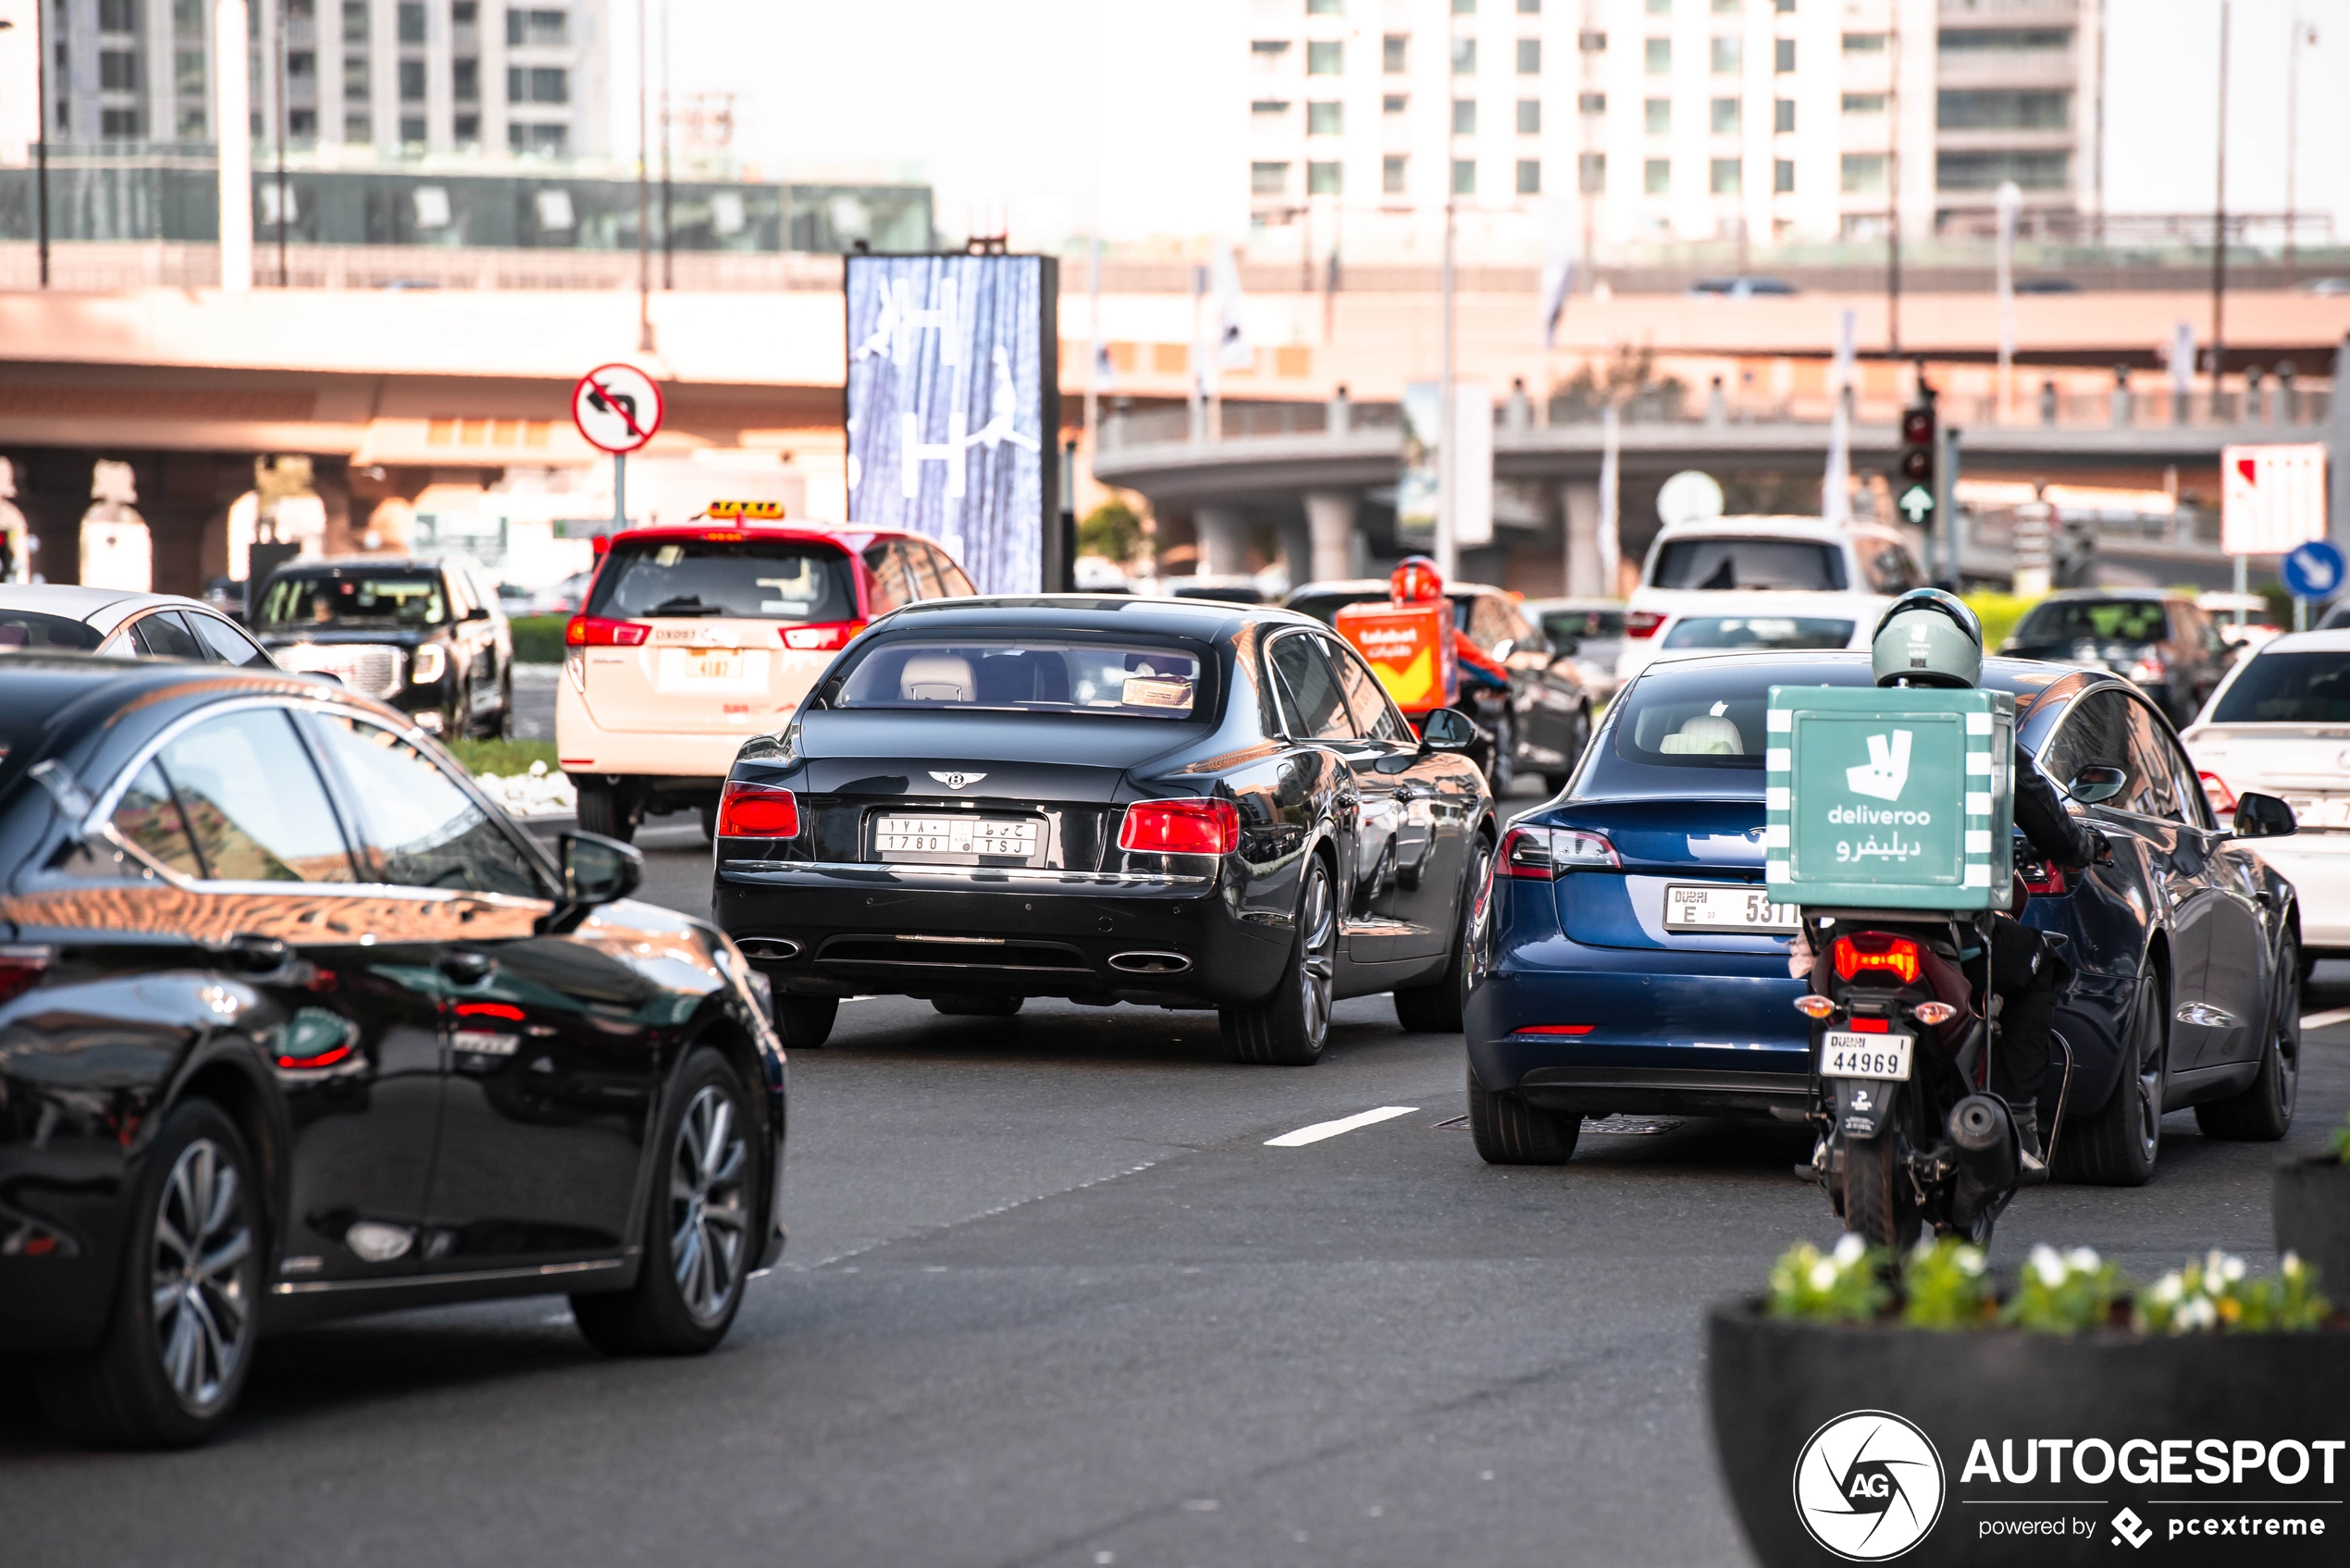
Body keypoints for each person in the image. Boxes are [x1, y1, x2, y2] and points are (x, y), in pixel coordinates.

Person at [1868, 586, 2109, 1178]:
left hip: (1846, 924)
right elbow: (2050, 826)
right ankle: (2019, 1123)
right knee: (2041, 970)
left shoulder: (1842, 723)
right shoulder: (1987, 728)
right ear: (1966, 655)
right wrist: (2084, 847)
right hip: (1950, 934)